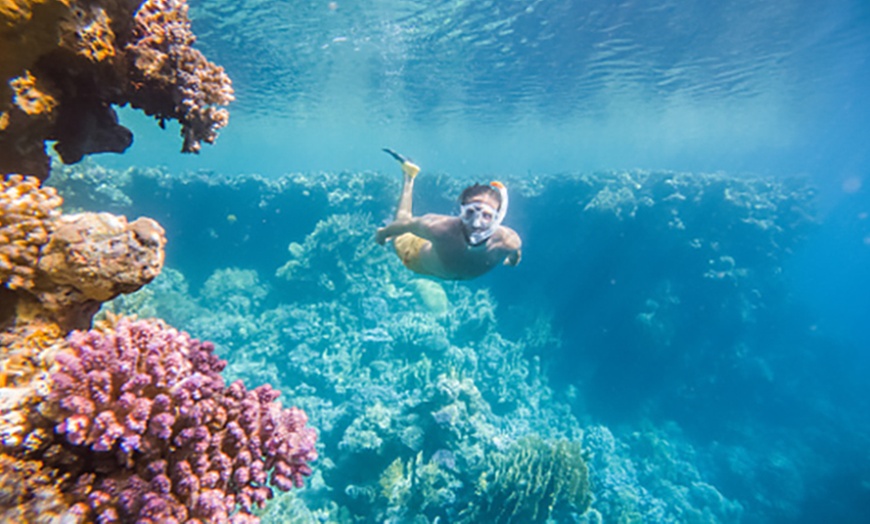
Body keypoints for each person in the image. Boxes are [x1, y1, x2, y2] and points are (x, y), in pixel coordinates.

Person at [375, 149, 522, 280]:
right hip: (414, 257)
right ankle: (409, 177)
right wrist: (383, 234)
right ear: (461, 211)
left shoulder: (508, 241)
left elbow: (515, 252)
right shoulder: (440, 229)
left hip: (441, 270)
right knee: (402, 221)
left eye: (487, 216)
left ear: (497, 218)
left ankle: (409, 175)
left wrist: (512, 260)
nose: (476, 223)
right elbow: (405, 224)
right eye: (470, 213)